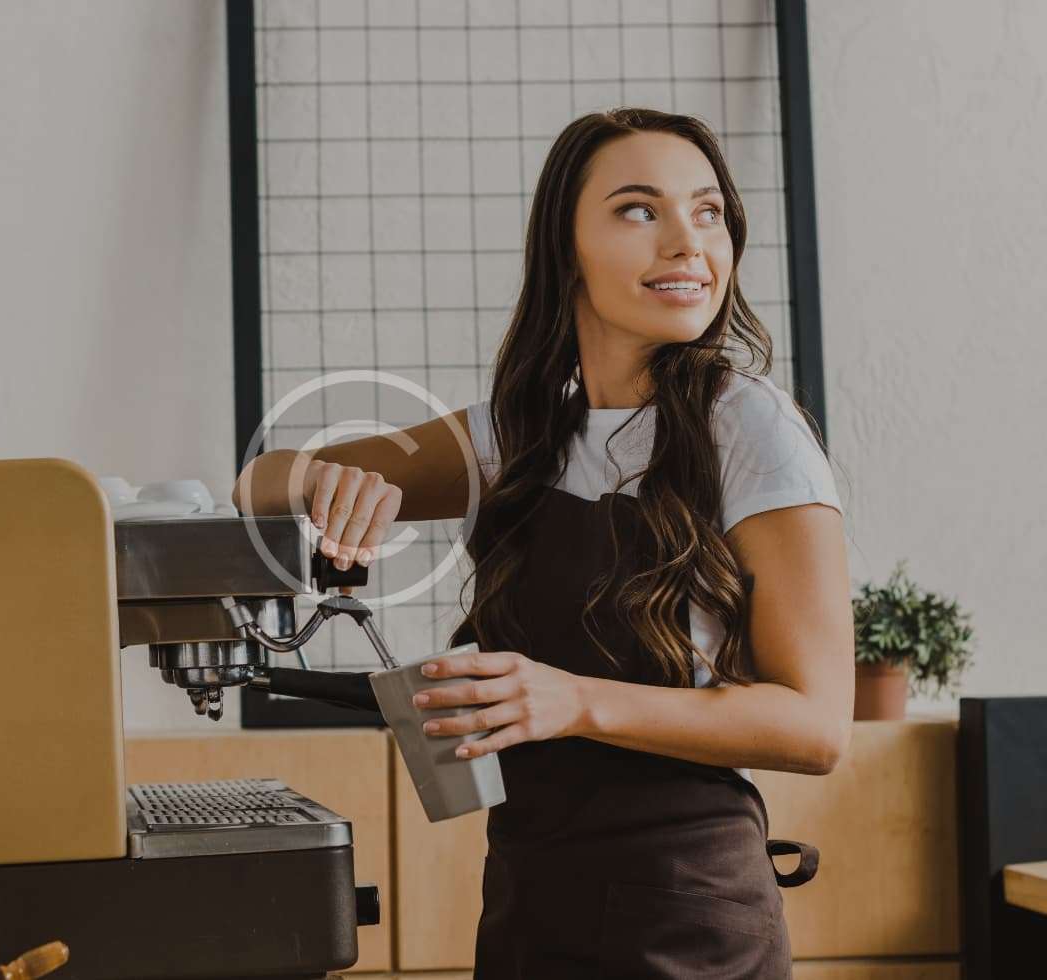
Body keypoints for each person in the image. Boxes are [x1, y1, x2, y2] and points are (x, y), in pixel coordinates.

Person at [232, 108, 852, 978]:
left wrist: (573, 700)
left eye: (708, 212)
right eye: (640, 210)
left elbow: (818, 725)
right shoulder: (516, 437)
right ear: (568, 253)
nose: (687, 242)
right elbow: (258, 481)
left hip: (689, 916)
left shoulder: (748, 426)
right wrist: (320, 481)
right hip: (529, 903)